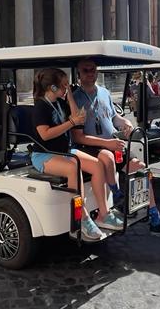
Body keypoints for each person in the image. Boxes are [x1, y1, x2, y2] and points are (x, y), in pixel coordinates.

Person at [71, 58, 160, 238]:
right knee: (107, 155)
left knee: (141, 168)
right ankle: (118, 198)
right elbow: (77, 136)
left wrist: (125, 123)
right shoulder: (75, 98)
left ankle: (155, 218)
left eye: (93, 69)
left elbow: (114, 117)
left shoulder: (104, 92)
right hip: (90, 147)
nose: (90, 73)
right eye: (85, 70)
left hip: (112, 144)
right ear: (79, 74)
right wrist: (107, 143)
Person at [28, 67, 120, 241]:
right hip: (44, 154)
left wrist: (69, 94)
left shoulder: (59, 103)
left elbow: (77, 115)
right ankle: (83, 218)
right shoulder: (40, 106)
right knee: (74, 167)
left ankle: (103, 213)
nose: (67, 87)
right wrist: (71, 123)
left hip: (64, 151)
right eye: (63, 85)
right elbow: (45, 134)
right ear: (53, 87)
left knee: (97, 165)